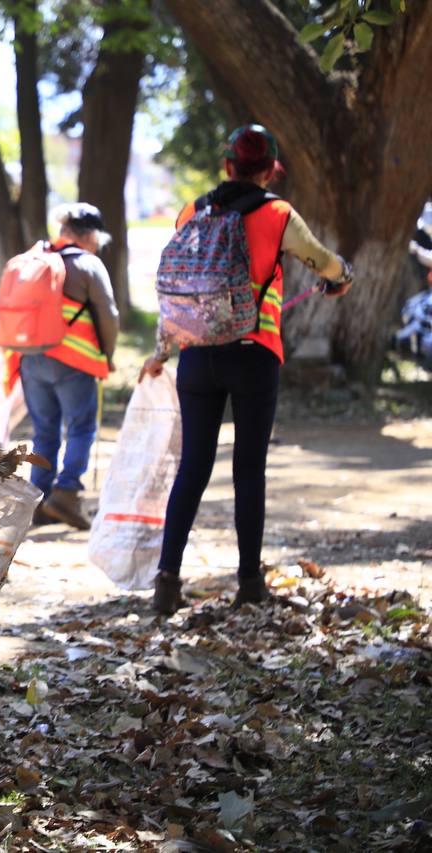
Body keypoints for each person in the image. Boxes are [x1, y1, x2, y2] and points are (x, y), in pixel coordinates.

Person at [140, 125, 354, 616]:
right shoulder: (277, 212)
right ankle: (249, 582)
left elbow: (184, 287)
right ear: (269, 170)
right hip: (254, 356)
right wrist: (340, 278)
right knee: (247, 469)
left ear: (226, 166)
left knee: (192, 466)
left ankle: (167, 581)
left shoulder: (192, 212)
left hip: (197, 356)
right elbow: (322, 261)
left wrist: (164, 348)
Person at [20, 203, 119, 530]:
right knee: (81, 427)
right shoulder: (88, 264)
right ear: (90, 235)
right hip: (72, 362)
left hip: (31, 360)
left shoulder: (37, 260)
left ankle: (39, 498)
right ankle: (66, 493)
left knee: (44, 431)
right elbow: (109, 315)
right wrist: (108, 353)